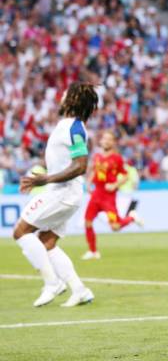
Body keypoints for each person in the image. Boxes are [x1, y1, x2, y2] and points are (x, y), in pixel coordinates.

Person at [12, 82, 98, 307]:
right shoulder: (68, 126)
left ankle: (52, 283)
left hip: (62, 193)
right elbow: (61, 160)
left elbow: (81, 166)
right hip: (66, 194)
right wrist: (39, 173)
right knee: (47, 242)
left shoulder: (74, 128)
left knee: (21, 231)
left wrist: (45, 179)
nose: (61, 95)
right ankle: (80, 290)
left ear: (72, 99)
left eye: (65, 93)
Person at [83, 131, 142, 260]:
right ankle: (93, 251)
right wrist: (88, 182)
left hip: (108, 197)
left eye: (109, 139)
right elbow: (94, 170)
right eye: (104, 138)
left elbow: (126, 176)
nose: (106, 141)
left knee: (115, 227)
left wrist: (115, 185)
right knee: (87, 222)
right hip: (96, 194)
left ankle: (131, 217)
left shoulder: (117, 158)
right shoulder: (97, 156)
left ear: (113, 142)